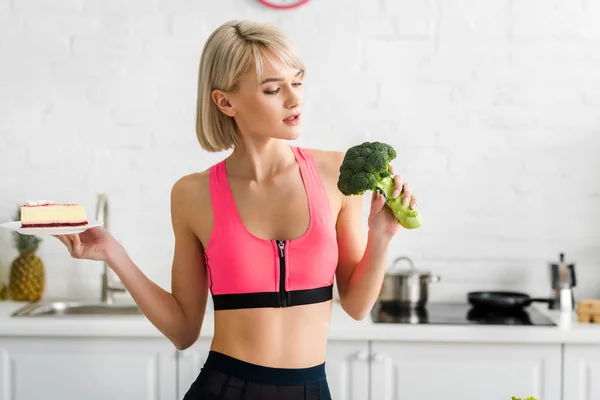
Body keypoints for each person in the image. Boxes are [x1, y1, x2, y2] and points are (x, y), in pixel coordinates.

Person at [55, 19, 418, 400]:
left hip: (312, 390)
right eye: (272, 89)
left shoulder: (336, 174)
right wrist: (115, 254)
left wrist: (382, 235)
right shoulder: (192, 194)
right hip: (226, 389)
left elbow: (358, 306)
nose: (294, 99)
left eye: (298, 81)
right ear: (225, 101)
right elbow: (183, 331)